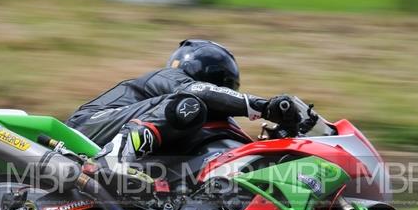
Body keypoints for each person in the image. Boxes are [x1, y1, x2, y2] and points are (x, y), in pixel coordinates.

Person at [65, 39, 299, 191]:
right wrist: (264, 106)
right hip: (88, 128)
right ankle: (112, 158)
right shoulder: (171, 80)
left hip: (125, 143)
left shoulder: (195, 121)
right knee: (189, 104)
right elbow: (198, 92)